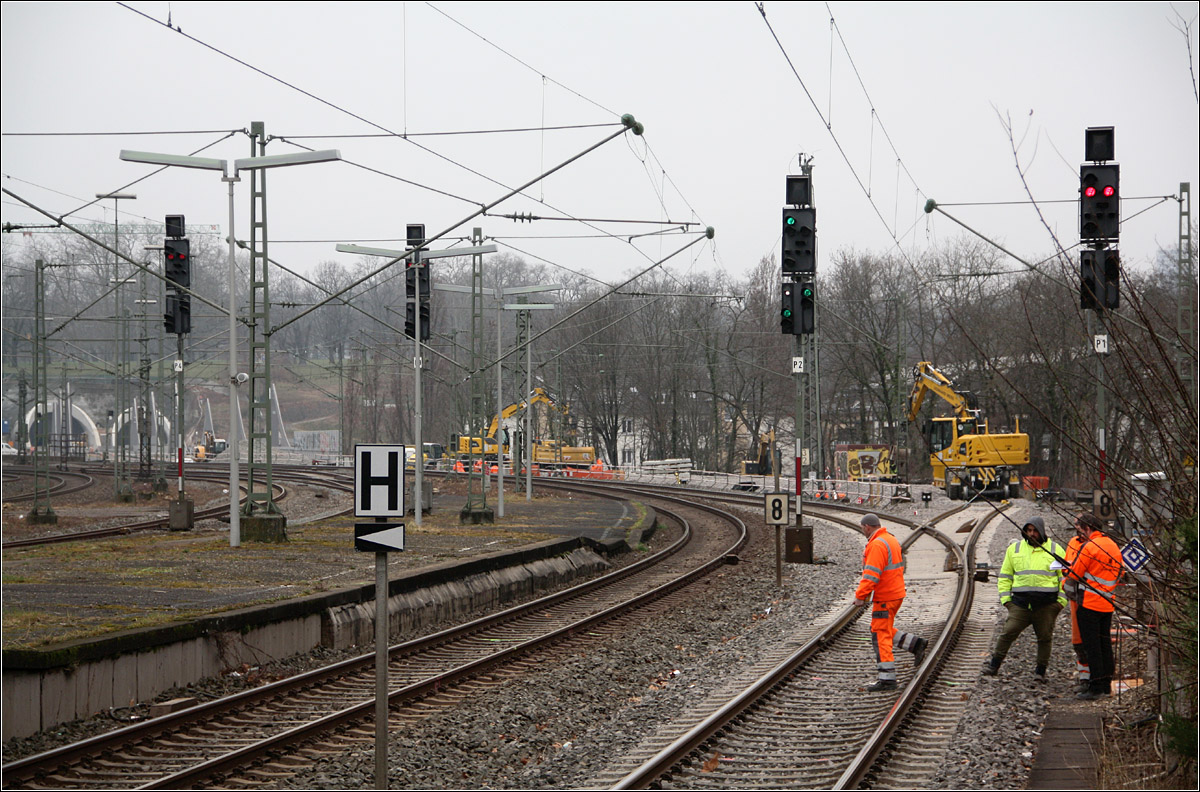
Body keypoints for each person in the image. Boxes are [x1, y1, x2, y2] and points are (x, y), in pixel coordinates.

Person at [981, 516, 1067, 681]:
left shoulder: (1055, 550)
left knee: (1045, 637)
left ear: (1041, 531)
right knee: (1007, 633)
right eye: (1028, 531)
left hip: (1047, 605)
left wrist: (1060, 602)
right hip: (1020, 605)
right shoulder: (1015, 549)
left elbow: (1064, 578)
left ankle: (1040, 672)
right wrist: (1006, 600)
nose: (1031, 534)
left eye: (1034, 530)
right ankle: (993, 665)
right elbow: (1005, 575)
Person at [855, 513, 928, 692]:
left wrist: (860, 595)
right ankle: (915, 644)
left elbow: (871, 574)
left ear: (867, 527)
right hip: (895, 594)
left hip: (885, 596)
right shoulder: (890, 539)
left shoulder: (877, 544)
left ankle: (887, 679)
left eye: (862, 528)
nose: (862, 531)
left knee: (880, 634)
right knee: (881, 628)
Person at [1068, 511, 1123, 700]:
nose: (1079, 534)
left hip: (1089, 604)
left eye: (1080, 530)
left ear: (1088, 528)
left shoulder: (1089, 547)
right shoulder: (1113, 545)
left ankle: (1096, 687)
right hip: (1107, 603)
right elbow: (1119, 573)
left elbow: (1075, 574)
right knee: (1105, 644)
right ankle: (1106, 685)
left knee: (1092, 647)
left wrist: (1067, 585)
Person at [1063, 528, 1090, 693]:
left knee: (1091, 640)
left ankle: (1094, 677)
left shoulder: (1095, 546)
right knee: (1078, 641)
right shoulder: (1073, 543)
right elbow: (1067, 567)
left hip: (1092, 600)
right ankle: (1084, 677)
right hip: (1076, 599)